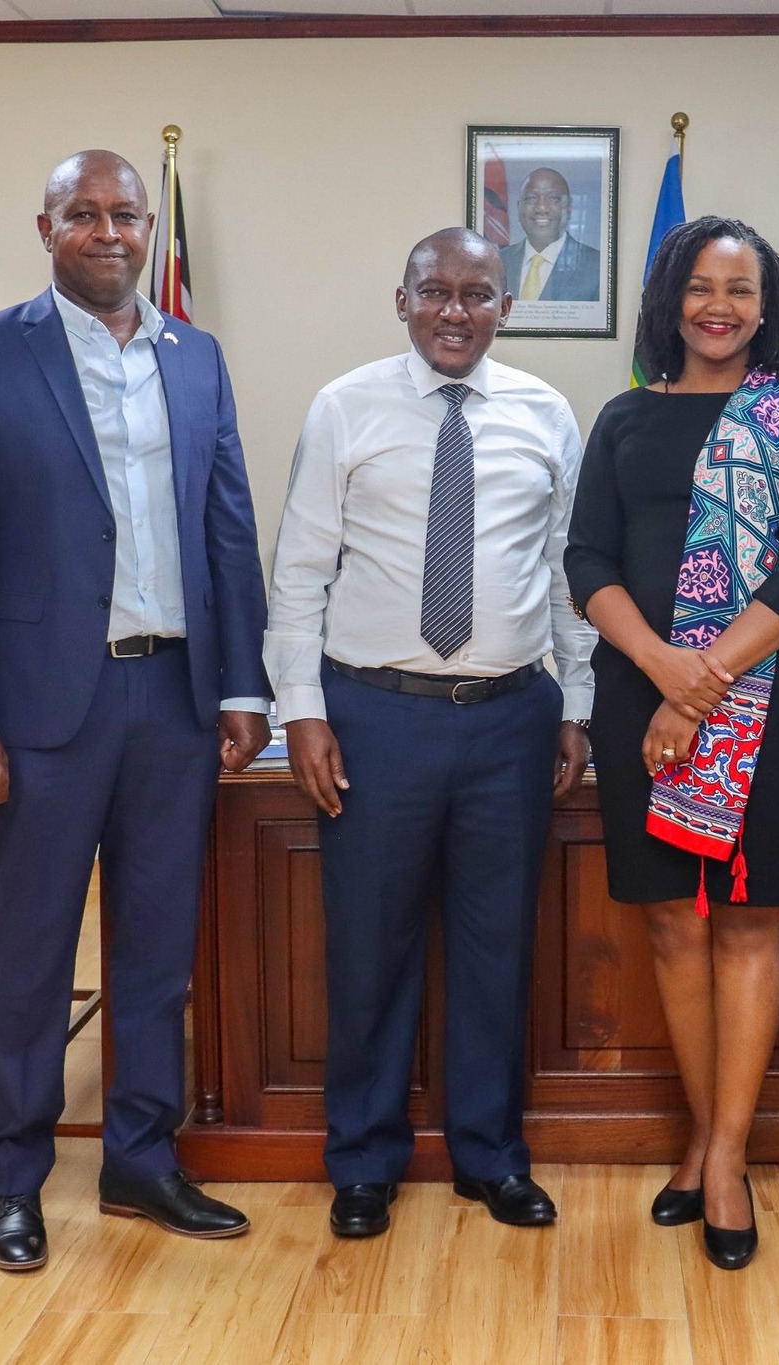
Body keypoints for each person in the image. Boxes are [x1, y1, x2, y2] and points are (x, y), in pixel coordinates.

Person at [0, 150, 271, 1273]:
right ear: (46, 227)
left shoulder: (195, 356)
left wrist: (242, 683)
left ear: (146, 229)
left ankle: (139, 1158)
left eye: (124, 214)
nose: (108, 231)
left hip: (171, 697)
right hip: (40, 711)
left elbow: (227, 527)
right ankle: (13, 1175)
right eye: (85, 214)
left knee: (157, 953)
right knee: (28, 953)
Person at [265, 227, 595, 1241]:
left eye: (478, 294)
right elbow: (299, 572)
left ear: (504, 307)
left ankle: (490, 1158)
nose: (456, 311)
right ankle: (362, 1161)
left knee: (497, 951)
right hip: (374, 717)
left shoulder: (545, 413)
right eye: (436, 292)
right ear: (400, 300)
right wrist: (302, 710)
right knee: (368, 950)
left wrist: (575, 704)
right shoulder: (345, 407)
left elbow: (568, 578)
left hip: (508, 718)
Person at [565, 216, 779, 1272]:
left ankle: (721, 1159)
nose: (716, 306)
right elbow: (586, 557)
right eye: (699, 286)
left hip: (770, 697)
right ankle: (704, 1136)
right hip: (641, 695)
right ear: (669, 300)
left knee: (744, 922)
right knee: (669, 930)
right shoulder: (624, 418)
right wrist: (664, 673)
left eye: (739, 288)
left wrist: (708, 677)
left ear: (764, 306)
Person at [498, 168, 604, 303]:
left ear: (569, 208)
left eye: (554, 199)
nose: (542, 208)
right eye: (531, 198)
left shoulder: (597, 267)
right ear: (519, 208)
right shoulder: (497, 263)